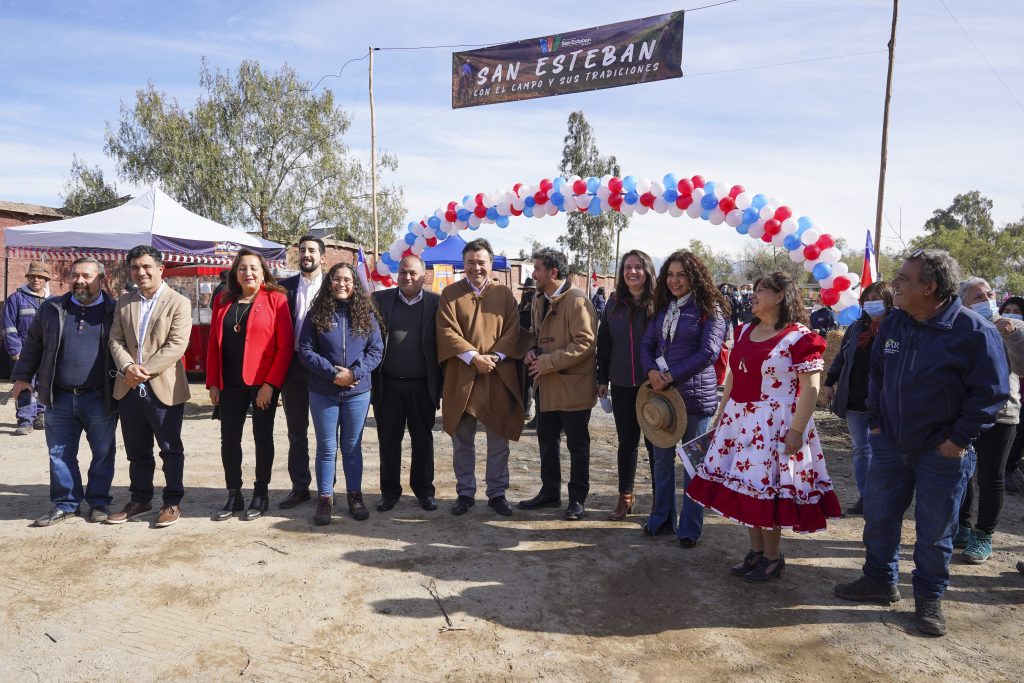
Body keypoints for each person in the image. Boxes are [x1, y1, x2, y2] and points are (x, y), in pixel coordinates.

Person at [834, 249, 1009, 637]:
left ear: (929, 287)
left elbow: (990, 394)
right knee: (879, 518)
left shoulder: (973, 333)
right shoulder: (895, 323)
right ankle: (879, 581)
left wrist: (956, 441)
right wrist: (877, 424)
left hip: (941, 454)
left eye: (904, 278)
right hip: (890, 445)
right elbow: (878, 375)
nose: (894, 284)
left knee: (934, 532)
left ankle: (929, 598)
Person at [687, 271, 840, 580]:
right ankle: (756, 553)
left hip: (775, 428)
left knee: (765, 491)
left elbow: (809, 388)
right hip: (738, 423)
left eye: (761, 290)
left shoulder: (799, 337)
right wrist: (722, 415)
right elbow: (733, 376)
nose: (753, 295)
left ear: (780, 296)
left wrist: (796, 431)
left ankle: (772, 558)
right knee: (745, 492)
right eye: (754, 289)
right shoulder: (743, 332)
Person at [11, 257, 118, 526]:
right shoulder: (52, 308)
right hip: (59, 395)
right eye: (75, 275)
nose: (79, 280)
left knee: (103, 452)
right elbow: (34, 344)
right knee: (59, 453)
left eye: (86, 276)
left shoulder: (114, 310)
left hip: (99, 397)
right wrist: (22, 377)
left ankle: (98, 502)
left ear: (100, 279)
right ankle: (66, 504)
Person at [639, 251, 728, 545]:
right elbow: (647, 344)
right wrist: (652, 371)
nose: (675, 281)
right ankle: (662, 518)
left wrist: (671, 375)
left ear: (694, 277)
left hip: (694, 398)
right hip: (662, 398)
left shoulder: (710, 308)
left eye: (681, 275)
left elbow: (708, 352)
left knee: (693, 466)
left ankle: (690, 528)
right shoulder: (663, 308)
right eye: (671, 275)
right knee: (662, 461)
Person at [105, 246, 192, 527]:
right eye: (135, 268)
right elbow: (115, 340)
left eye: (146, 267)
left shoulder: (178, 302)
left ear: (160, 269)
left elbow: (177, 345)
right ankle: (140, 499)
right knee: (136, 450)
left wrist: (144, 371)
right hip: (128, 386)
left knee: (169, 449)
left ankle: (172, 502)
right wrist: (128, 367)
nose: (140, 272)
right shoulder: (124, 301)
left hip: (163, 387)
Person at [436, 238, 523, 517]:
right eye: (471, 262)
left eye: (481, 262)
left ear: (490, 263)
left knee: (499, 436)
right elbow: (446, 332)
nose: (476, 267)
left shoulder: (505, 295)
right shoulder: (450, 294)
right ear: (463, 264)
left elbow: (513, 331)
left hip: (497, 375)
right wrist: (473, 357)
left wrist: (496, 357)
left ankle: (497, 493)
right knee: (463, 439)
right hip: (463, 376)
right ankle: (465, 492)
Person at [206, 248, 293, 522]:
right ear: (235, 273)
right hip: (229, 382)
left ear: (263, 271)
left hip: (261, 383)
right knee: (229, 440)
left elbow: (285, 346)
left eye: (254, 268)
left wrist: (270, 384)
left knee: (262, 438)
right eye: (242, 268)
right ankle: (234, 493)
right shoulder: (222, 300)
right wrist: (212, 383)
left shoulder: (276, 299)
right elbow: (212, 345)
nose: (248, 273)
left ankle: (261, 493)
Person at [299, 262, 384, 525]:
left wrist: (354, 374)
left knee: (351, 446)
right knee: (326, 447)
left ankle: (354, 495)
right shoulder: (316, 315)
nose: (342, 284)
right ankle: (325, 498)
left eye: (348, 279)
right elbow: (305, 351)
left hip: (358, 392)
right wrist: (332, 373)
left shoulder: (367, 316)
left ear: (355, 284)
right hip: (323, 391)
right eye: (337, 279)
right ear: (329, 282)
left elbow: (376, 351)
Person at [521, 248, 597, 521]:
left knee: (577, 445)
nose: (533, 273)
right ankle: (550, 492)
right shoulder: (539, 300)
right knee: (547, 442)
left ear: (553, 272)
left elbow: (585, 343)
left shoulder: (577, 300)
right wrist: (531, 351)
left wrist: (548, 362)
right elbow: (534, 335)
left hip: (573, 387)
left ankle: (577, 500)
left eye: (537, 268)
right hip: (547, 385)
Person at [953, 278, 1024, 563]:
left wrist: (1012, 336)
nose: (986, 299)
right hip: (965, 413)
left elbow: (1022, 367)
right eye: (977, 297)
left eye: (989, 294)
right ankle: (963, 527)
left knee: (990, 476)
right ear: (963, 303)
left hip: (1002, 414)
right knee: (962, 473)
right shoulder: (958, 327)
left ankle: (984, 535)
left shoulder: (1013, 326)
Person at [371, 255, 441, 513]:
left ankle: (424, 491)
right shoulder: (380, 300)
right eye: (403, 272)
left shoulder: (437, 303)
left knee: (422, 440)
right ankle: (389, 492)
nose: (407, 277)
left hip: (422, 386)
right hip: (388, 386)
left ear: (424, 276)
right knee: (388, 440)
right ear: (396, 275)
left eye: (413, 273)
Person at [820, 282, 895, 515]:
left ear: (889, 301)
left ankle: (882, 496)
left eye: (878, 297)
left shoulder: (898, 328)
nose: (872, 302)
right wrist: (829, 382)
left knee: (881, 449)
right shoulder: (855, 329)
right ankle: (866, 496)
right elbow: (841, 358)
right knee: (860, 449)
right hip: (854, 396)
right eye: (868, 297)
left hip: (884, 400)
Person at [596, 250, 658, 521]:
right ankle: (625, 498)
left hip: (654, 386)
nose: (632, 272)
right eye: (627, 267)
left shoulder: (660, 304)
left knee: (656, 443)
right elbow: (605, 344)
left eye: (638, 267)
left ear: (647, 271)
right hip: (621, 383)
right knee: (627, 443)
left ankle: (661, 499)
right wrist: (602, 379)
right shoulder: (613, 304)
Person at [276, 235, 325, 510]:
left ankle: (327, 489)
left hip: (323, 366)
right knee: (297, 432)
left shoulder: (335, 285)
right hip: (293, 366)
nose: (306, 254)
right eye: (302, 250)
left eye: (311, 250)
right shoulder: (284, 288)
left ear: (322, 257)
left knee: (327, 433)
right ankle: (300, 487)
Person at [4, 261, 51, 435]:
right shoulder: (15, 299)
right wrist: (15, 349)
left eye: (40, 277)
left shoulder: (52, 301)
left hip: (47, 351)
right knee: (24, 385)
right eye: (32, 276)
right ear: (28, 278)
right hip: (24, 352)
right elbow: (8, 327)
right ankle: (24, 420)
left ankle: (40, 415)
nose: (36, 279)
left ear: (46, 279)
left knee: (43, 383)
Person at [1001, 296, 1024, 493]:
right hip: (1012, 398)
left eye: (1018, 312)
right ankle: (1008, 469)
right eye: (1009, 310)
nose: (1012, 315)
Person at [518, 277, 537, 426]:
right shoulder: (520, 307)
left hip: (535, 350)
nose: (528, 293)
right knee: (525, 382)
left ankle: (536, 413)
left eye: (532, 290)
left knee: (534, 383)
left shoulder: (540, 306)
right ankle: (525, 409)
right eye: (527, 290)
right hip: (521, 350)